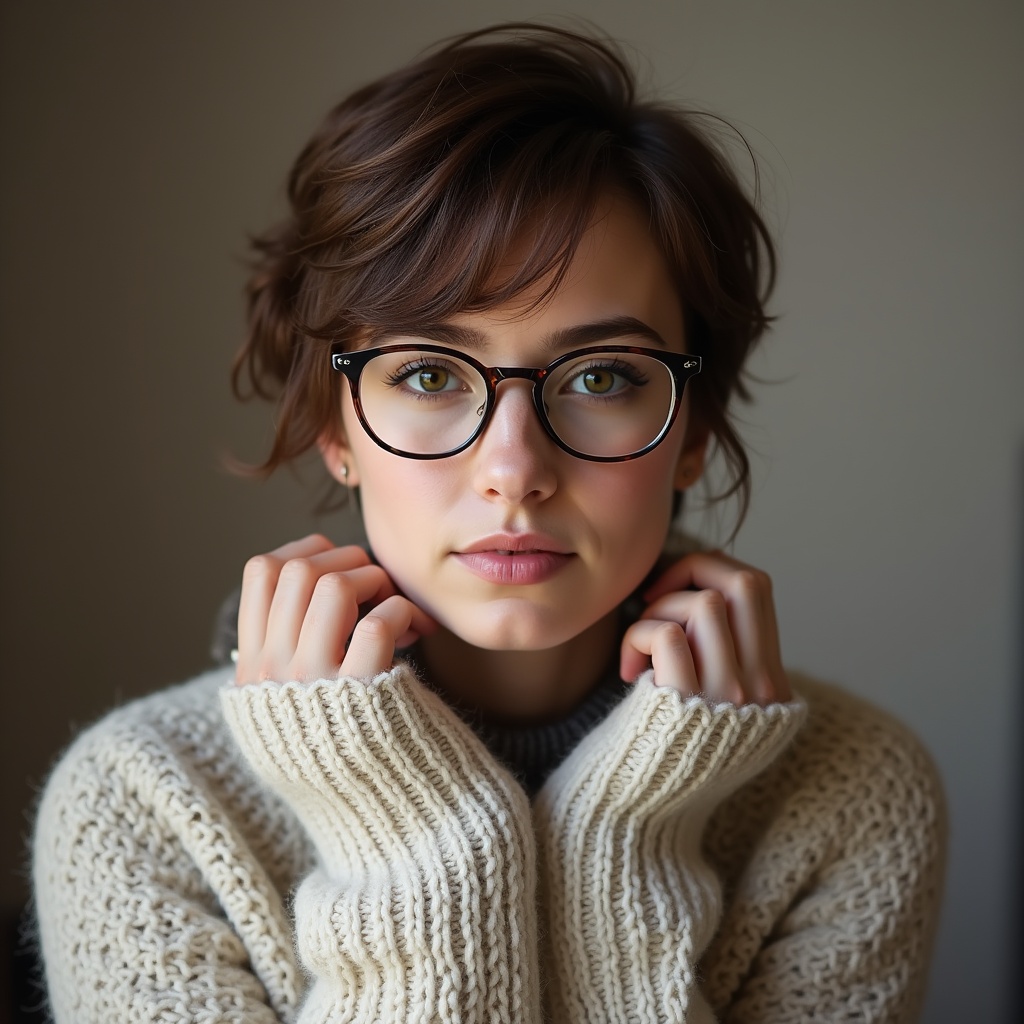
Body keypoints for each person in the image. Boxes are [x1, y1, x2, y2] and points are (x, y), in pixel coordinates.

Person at [32, 23, 946, 1023]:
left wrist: (623, 836)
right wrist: (404, 831)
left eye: (601, 377)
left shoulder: (852, 790)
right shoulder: (145, 800)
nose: (514, 471)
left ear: (692, 429)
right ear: (336, 426)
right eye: (428, 373)